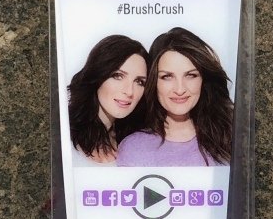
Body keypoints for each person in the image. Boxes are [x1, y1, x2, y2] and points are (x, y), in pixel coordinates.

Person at [116, 28, 232, 167]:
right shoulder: (133, 149)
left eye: (191, 75)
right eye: (167, 76)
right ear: (153, 81)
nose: (180, 89)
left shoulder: (231, 138)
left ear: (203, 80)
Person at [67, 35, 149, 165]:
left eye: (139, 81)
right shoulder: (64, 134)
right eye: (118, 76)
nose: (129, 91)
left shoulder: (137, 143)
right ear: (98, 74)